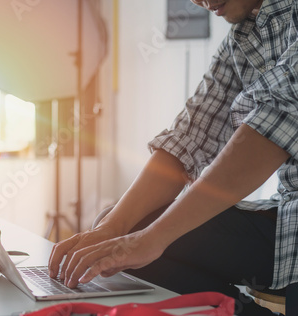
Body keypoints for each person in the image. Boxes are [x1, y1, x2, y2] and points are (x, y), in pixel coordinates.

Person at [48, 0, 298, 315]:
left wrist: (153, 238)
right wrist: (111, 228)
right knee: (124, 232)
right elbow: (188, 138)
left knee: (146, 239)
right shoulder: (243, 37)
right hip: (285, 221)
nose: (197, 1)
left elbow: (272, 128)